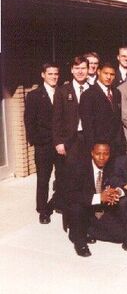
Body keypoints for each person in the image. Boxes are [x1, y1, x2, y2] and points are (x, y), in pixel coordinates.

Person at [64, 142, 127, 257]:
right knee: (76, 207)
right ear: (92, 153)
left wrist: (116, 192)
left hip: (101, 213)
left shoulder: (111, 166)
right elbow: (71, 195)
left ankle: (86, 230)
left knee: (120, 236)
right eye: (98, 154)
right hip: (84, 210)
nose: (102, 157)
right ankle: (80, 242)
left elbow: (120, 184)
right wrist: (98, 197)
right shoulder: (79, 167)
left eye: (105, 154)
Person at [24, 62, 64, 224]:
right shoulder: (34, 95)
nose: (54, 77)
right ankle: (43, 210)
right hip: (44, 145)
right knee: (43, 179)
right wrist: (37, 141)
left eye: (56, 74)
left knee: (62, 176)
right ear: (43, 75)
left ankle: (60, 202)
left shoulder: (62, 92)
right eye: (50, 74)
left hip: (60, 144)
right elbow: (29, 121)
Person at [79, 63, 126, 159]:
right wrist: (93, 147)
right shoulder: (88, 95)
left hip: (116, 148)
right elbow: (88, 126)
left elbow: (117, 121)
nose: (109, 77)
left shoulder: (117, 93)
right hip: (99, 148)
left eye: (112, 74)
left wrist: (121, 142)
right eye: (106, 73)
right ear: (99, 72)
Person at [53, 56, 90, 166]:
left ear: (88, 70)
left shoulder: (93, 90)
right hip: (70, 140)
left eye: (83, 68)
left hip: (89, 139)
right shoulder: (62, 91)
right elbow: (56, 119)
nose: (80, 71)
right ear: (71, 70)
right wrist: (58, 142)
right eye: (77, 68)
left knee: (87, 174)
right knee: (71, 175)